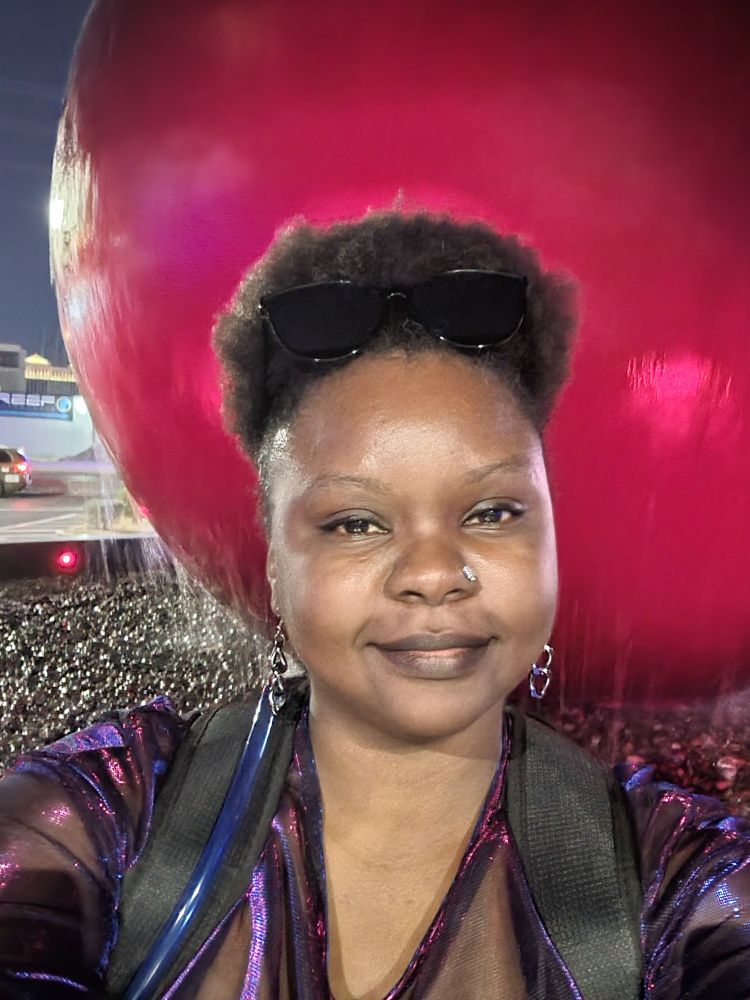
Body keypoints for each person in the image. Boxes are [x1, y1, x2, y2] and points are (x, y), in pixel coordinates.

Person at [0, 210, 748, 1000]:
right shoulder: (107, 815)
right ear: (275, 566)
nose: (432, 573)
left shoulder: (670, 874)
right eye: (356, 523)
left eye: (492, 512)